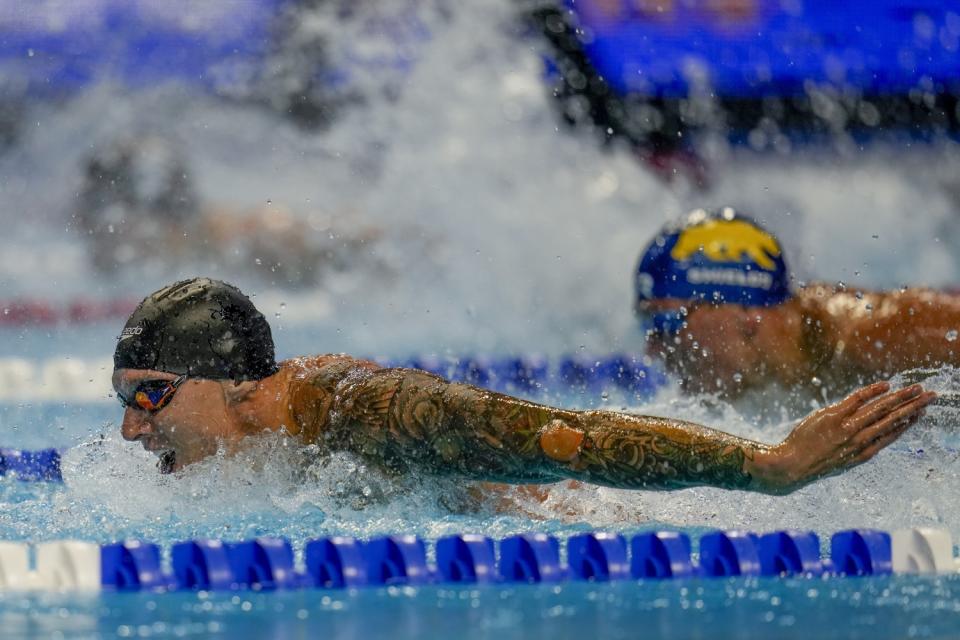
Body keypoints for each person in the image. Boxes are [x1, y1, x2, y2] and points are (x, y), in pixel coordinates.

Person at [113, 277, 933, 495]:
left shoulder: (360, 412)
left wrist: (770, 465)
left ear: (228, 383)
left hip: (619, 515)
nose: (131, 432)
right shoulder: (254, 446)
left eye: (148, 397)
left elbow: (561, 437)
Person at [635, 207, 960, 398]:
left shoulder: (875, 337)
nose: (655, 349)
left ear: (745, 313)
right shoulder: (771, 378)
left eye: (667, 324)